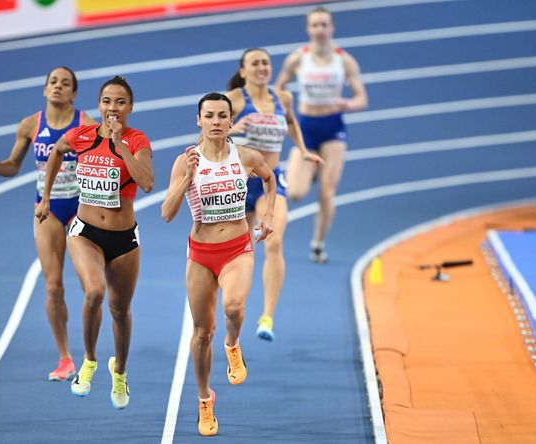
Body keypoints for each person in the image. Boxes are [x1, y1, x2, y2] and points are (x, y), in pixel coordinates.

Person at [35, 75, 154, 409]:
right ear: (98, 105)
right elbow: (57, 152)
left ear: (130, 107)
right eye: (106, 101)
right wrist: (46, 197)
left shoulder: (138, 140)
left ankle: (121, 372)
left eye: (119, 102)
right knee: (94, 292)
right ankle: (88, 361)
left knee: (119, 310)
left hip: (124, 238)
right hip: (85, 231)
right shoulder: (82, 135)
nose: (112, 108)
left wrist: (121, 146)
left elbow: (146, 182)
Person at [161, 92, 276, 436]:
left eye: (221, 116)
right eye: (208, 116)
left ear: (230, 121)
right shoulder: (186, 161)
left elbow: (270, 179)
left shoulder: (246, 156)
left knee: (235, 306)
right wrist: (186, 178)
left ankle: (233, 344)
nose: (215, 122)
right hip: (200, 253)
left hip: (237, 247)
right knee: (200, 333)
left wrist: (268, 214)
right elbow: (166, 214)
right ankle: (204, 399)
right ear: (198, 120)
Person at [0, 66, 97, 382]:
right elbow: (13, 167)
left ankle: (91, 354)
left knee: (90, 287)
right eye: (53, 82)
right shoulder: (31, 125)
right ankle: (65, 358)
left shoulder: (86, 125)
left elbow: (102, 160)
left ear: (73, 93)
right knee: (53, 285)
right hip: (46, 210)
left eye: (65, 83)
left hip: (80, 209)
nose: (58, 87)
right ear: (45, 90)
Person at [226, 48, 322, 342]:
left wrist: (303, 151)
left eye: (265, 63)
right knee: (234, 248)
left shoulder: (284, 99)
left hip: (272, 180)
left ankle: (267, 317)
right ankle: (232, 306)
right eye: (255, 63)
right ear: (243, 71)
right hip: (241, 180)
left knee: (274, 240)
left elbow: (292, 122)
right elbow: (209, 132)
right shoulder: (234, 100)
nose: (261, 67)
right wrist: (233, 127)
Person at [275, 6, 368, 263]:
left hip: (333, 128)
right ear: (308, 29)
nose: (320, 30)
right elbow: (277, 89)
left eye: (324, 24)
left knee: (327, 193)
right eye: (315, 25)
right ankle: (310, 170)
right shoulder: (297, 59)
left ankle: (318, 243)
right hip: (306, 125)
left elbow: (362, 98)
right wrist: (285, 107)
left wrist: (348, 104)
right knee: (294, 193)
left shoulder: (344, 60)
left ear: (332, 28)